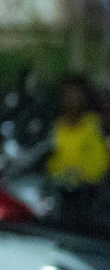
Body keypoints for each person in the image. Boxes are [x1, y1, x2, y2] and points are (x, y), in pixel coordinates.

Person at [46, 73, 108, 228]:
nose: (73, 99)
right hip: (61, 198)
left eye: (77, 94)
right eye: (68, 94)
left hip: (96, 198)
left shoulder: (95, 124)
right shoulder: (54, 129)